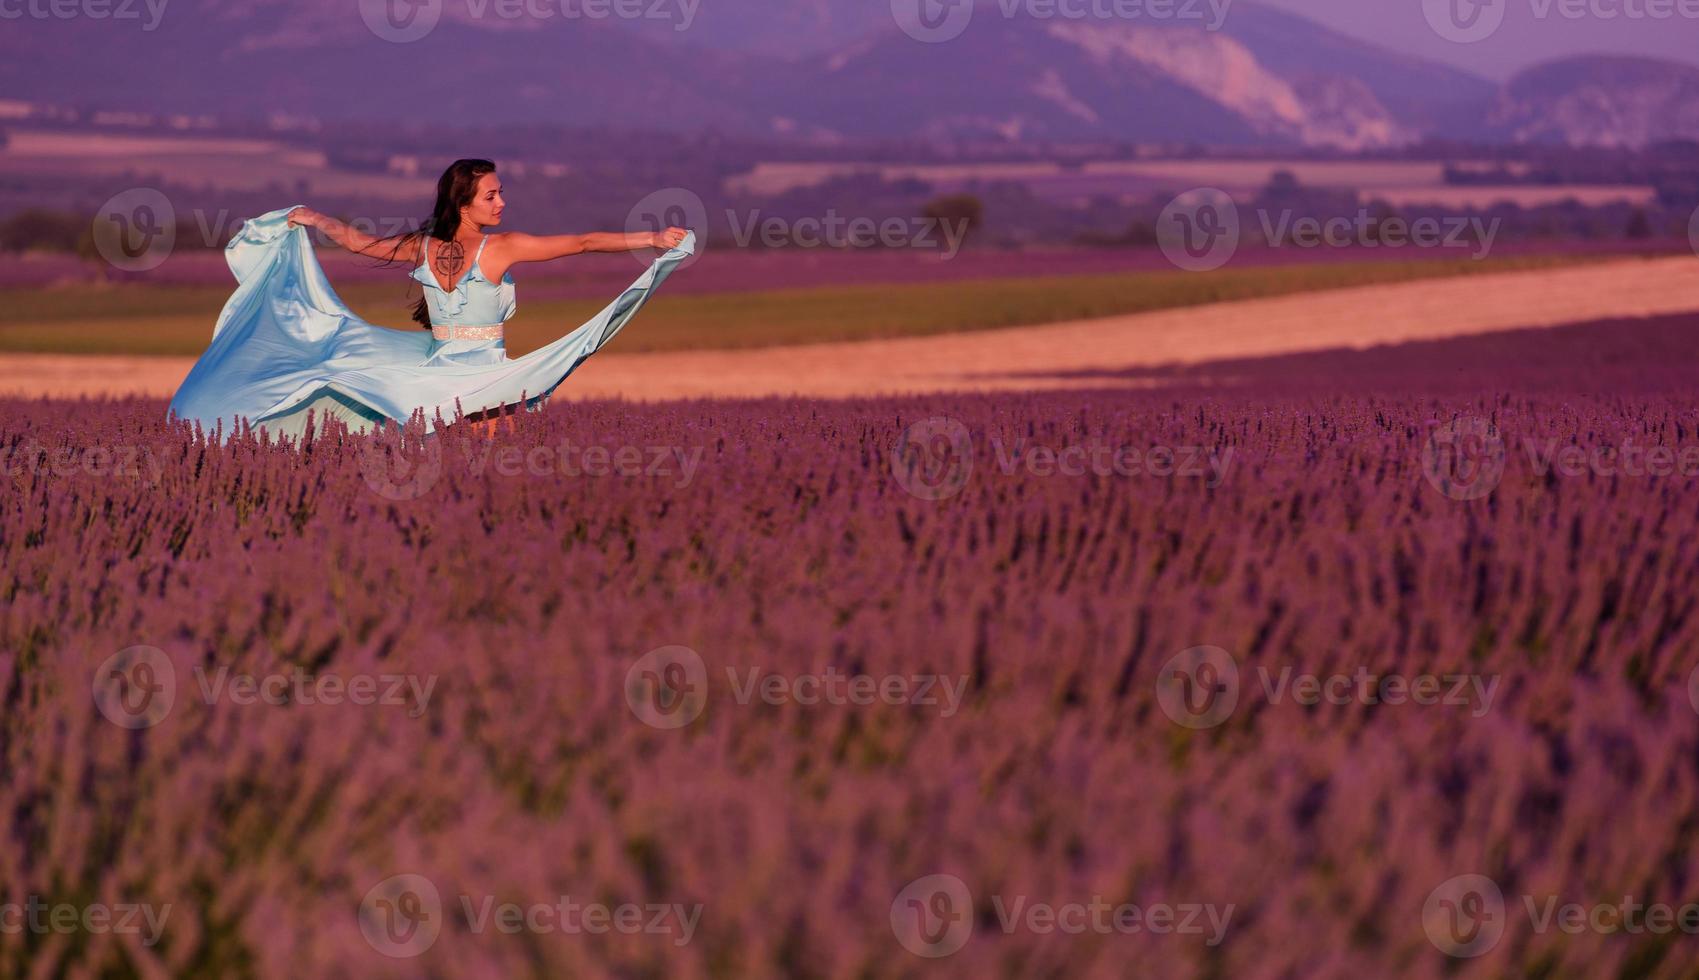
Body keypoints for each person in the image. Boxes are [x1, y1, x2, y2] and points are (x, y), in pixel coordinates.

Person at [166, 158, 693, 441]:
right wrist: (650, 240)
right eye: (492, 194)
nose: (502, 201)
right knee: (497, 456)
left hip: (434, 371)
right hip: (486, 376)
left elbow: (354, 241)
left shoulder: (423, 248)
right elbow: (581, 243)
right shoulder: (502, 248)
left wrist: (313, 217)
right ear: (465, 202)